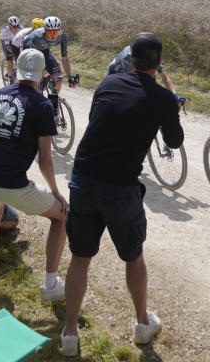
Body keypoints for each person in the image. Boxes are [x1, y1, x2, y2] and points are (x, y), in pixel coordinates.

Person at [61, 33, 184, 356]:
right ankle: (142, 324)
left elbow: (100, 122)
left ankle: (69, 333)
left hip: (83, 179)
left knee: (80, 258)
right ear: (158, 65)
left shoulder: (107, 84)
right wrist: (171, 99)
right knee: (133, 255)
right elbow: (173, 142)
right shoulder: (163, 98)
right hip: (120, 187)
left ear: (131, 60)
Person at [0, 48, 67, 301]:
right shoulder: (43, 105)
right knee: (61, 217)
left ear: (18, 70)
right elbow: (45, 160)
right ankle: (50, 284)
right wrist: (56, 194)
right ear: (42, 73)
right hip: (10, 182)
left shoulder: (0, 94)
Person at [21, 16, 75, 95]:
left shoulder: (62, 36)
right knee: (38, 79)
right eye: (50, 32)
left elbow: (65, 59)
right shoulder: (37, 37)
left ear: (59, 30)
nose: (53, 35)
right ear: (45, 30)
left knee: (58, 78)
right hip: (30, 50)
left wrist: (70, 77)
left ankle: (53, 101)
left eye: (56, 32)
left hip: (44, 50)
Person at [108, 44, 176, 93]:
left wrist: (174, 96)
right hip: (115, 69)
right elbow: (127, 84)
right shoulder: (127, 59)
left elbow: (165, 77)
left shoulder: (152, 56)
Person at [0, 16, 22, 80]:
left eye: (17, 26)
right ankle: (11, 79)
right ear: (9, 26)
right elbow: (7, 46)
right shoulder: (5, 32)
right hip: (7, 42)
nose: (16, 28)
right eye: (14, 26)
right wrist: (14, 52)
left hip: (16, 40)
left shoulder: (21, 28)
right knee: (10, 60)